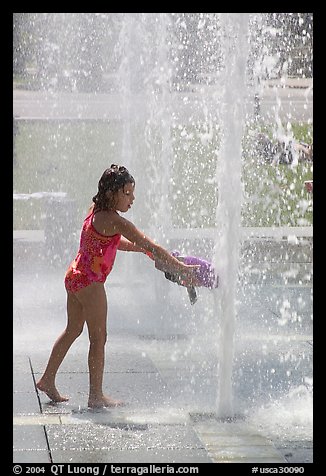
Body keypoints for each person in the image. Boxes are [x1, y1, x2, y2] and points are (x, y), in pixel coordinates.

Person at [36, 164, 200, 408]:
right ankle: (95, 396)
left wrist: (137, 248)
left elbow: (110, 242)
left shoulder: (96, 212)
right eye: (127, 193)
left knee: (73, 330)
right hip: (91, 283)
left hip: (74, 277)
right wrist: (181, 267)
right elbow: (153, 246)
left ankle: (47, 379)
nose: (132, 199)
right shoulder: (115, 220)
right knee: (98, 338)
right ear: (113, 193)